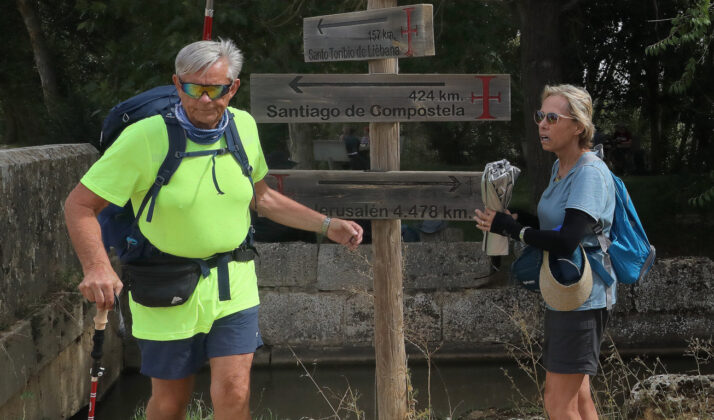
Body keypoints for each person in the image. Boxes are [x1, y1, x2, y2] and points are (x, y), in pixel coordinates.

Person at [64, 39, 363, 420]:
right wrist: (97, 266)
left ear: (233, 87)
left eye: (216, 89)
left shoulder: (243, 127)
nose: (204, 100)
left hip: (233, 282)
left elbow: (263, 198)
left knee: (235, 393)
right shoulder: (144, 138)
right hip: (164, 284)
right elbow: (80, 205)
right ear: (177, 84)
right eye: (193, 88)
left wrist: (326, 225)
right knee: (171, 404)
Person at [474, 84, 616, 419]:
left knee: (556, 402)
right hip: (564, 292)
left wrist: (513, 230)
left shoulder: (589, 173)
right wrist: (520, 219)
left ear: (578, 126)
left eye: (553, 118)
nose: (542, 124)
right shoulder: (560, 167)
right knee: (579, 398)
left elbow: (567, 240)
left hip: (584, 295)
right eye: (541, 116)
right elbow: (558, 223)